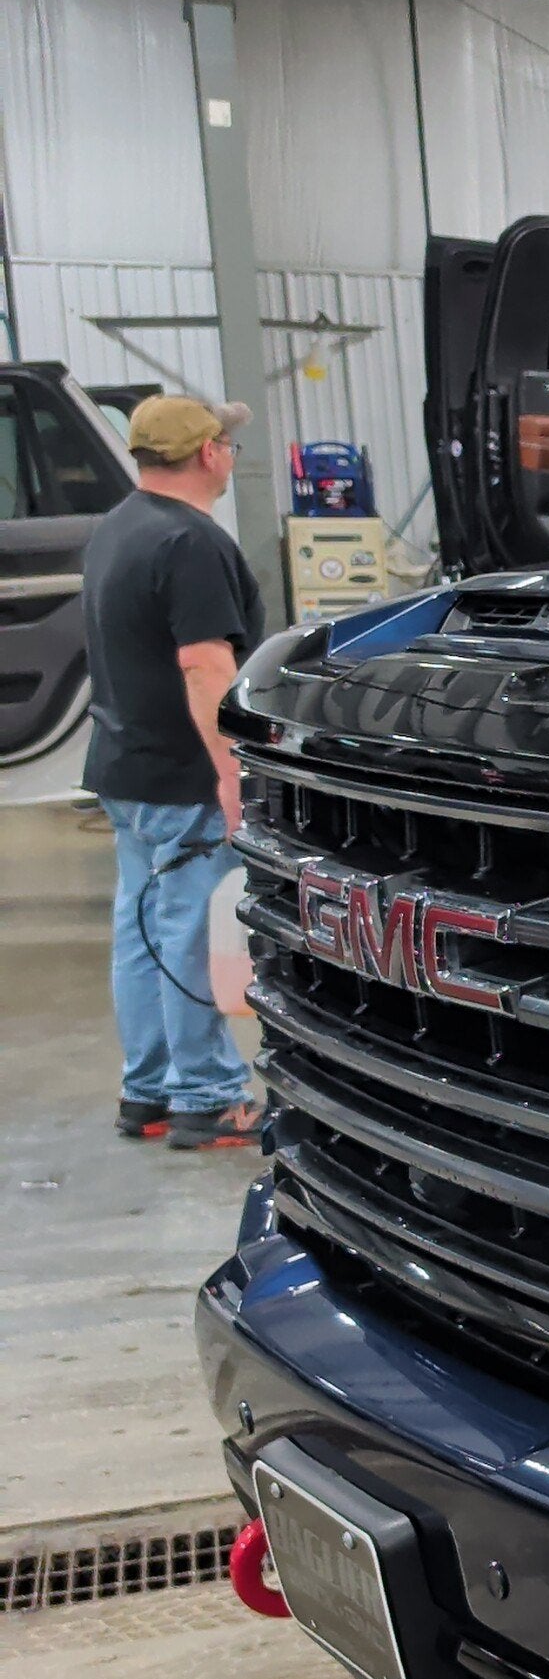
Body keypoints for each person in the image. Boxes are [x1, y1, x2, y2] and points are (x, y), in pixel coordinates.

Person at [83, 392, 264, 1151]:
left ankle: (148, 1088)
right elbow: (203, 667)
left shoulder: (116, 528)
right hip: (183, 775)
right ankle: (208, 1098)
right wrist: (231, 772)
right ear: (209, 453)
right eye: (228, 444)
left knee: (141, 929)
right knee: (187, 928)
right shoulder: (190, 542)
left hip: (125, 766)